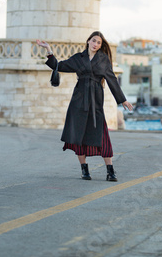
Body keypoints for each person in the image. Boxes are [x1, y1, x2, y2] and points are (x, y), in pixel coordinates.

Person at [37, 31, 133, 181]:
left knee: (103, 136)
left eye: (99, 43)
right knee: (78, 135)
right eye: (93, 41)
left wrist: (122, 100)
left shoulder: (103, 59)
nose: (95, 44)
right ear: (88, 41)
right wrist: (48, 50)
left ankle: (110, 171)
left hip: (95, 101)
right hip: (78, 100)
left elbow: (112, 79)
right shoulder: (78, 58)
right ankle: (84, 170)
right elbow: (58, 65)